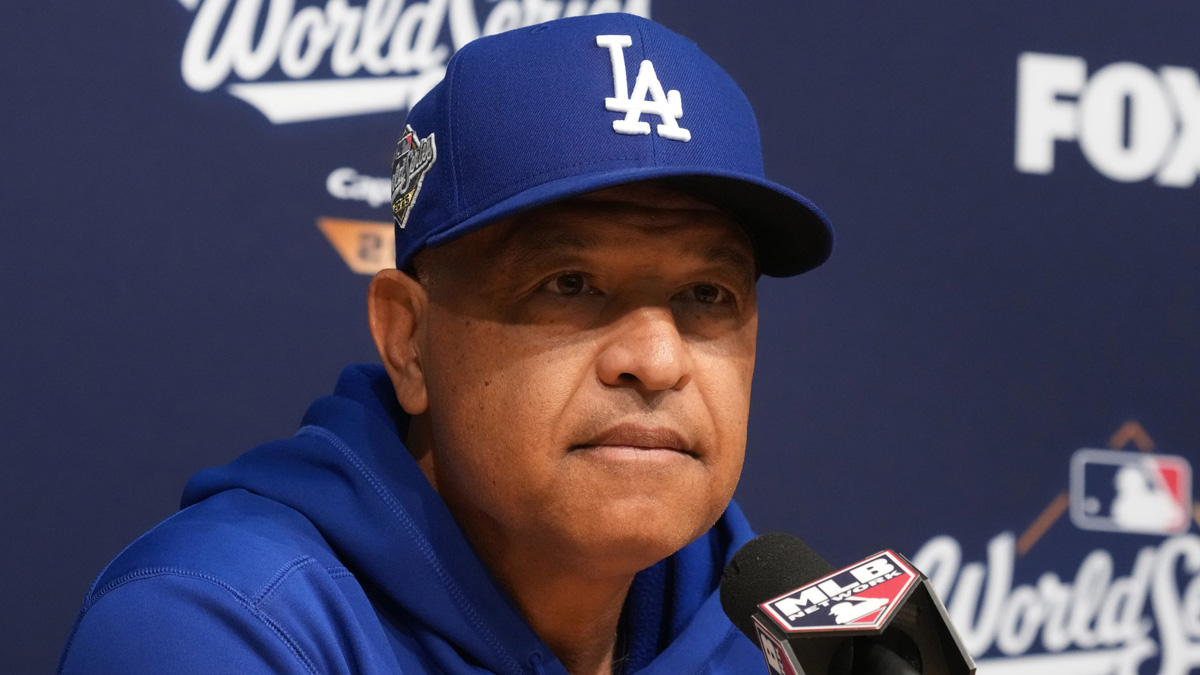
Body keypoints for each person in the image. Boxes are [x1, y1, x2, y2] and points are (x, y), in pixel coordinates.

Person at [58, 12, 832, 675]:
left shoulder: (775, 638)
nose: (657, 361)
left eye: (707, 294)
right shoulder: (214, 626)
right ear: (408, 339)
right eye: (569, 284)